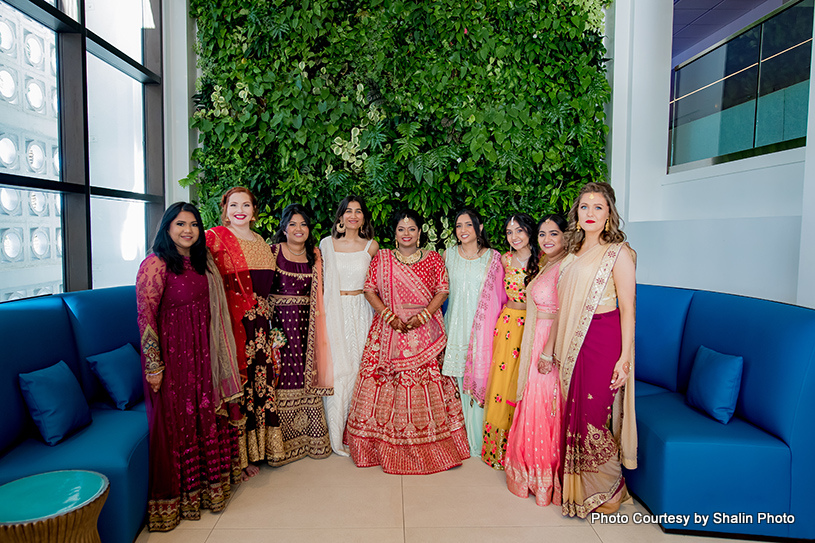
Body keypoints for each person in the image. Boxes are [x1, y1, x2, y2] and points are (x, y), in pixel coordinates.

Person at [136, 202, 242, 531]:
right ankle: (180, 499)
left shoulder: (201, 262)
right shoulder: (155, 265)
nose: (188, 230)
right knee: (178, 422)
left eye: (194, 225)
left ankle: (209, 492)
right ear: (167, 227)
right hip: (174, 358)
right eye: (180, 224)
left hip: (204, 354)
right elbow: (146, 319)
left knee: (205, 416)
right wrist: (154, 366)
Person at [344, 209, 470, 474]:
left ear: (420, 232)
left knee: (424, 385)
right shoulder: (383, 258)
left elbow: (442, 290)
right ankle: (375, 445)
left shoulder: (434, 258)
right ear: (395, 233)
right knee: (384, 384)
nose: (406, 234)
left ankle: (432, 445)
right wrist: (389, 316)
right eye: (401, 229)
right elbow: (369, 289)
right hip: (388, 330)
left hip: (425, 333)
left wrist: (423, 316)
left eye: (412, 229)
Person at [542, 181, 637, 517]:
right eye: (585, 207)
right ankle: (582, 488)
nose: (591, 213)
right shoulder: (572, 253)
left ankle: (612, 486)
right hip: (573, 342)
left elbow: (628, 306)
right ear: (577, 215)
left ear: (609, 214)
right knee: (576, 413)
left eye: (598, 207)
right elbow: (561, 303)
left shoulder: (618, 253)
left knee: (595, 414)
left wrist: (625, 356)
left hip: (603, 338)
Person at [206, 187, 281, 477]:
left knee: (260, 383)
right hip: (231, 325)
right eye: (233, 204)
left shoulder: (262, 241)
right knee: (239, 383)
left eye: (246, 204)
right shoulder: (214, 238)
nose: (240, 209)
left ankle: (262, 450)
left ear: (254, 210)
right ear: (224, 209)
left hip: (261, 324)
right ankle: (239, 458)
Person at [504, 214, 568, 506]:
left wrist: (547, 351)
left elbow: (563, 312)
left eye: (553, 234)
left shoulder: (566, 267)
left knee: (546, 405)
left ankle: (546, 477)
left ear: (566, 236)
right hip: (536, 337)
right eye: (542, 235)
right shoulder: (547, 264)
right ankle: (530, 473)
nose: (547, 240)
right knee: (533, 402)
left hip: (549, 342)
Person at [268, 203, 333, 464]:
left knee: (307, 376)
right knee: (283, 376)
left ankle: (311, 439)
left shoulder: (314, 255)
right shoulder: (272, 252)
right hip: (280, 327)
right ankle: (281, 445)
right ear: (284, 228)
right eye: (293, 224)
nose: (298, 229)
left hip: (309, 326)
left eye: (303, 224)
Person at [442, 208, 506, 457]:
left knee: (481, 383)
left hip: (484, 332)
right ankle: (459, 440)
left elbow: (501, 298)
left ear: (479, 228)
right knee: (457, 383)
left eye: (468, 224)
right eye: (458, 226)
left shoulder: (494, 258)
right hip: (455, 327)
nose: (463, 230)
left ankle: (478, 442)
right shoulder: (447, 255)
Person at [320, 196, 379, 456]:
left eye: (358, 211)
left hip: (362, 311)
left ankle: (357, 433)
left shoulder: (371, 247)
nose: (353, 215)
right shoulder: (326, 245)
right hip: (333, 310)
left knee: (359, 369)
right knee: (337, 370)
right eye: (348, 211)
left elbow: (377, 285)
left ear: (364, 217)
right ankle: (334, 432)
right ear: (340, 216)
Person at [481, 213, 539, 469]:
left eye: (519, 231)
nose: (514, 237)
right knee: (503, 383)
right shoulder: (504, 259)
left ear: (530, 232)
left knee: (527, 382)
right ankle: (499, 450)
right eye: (509, 232)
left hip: (536, 324)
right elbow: (492, 294)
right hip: (508, 325)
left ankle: (525, 448)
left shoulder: (545, 260)